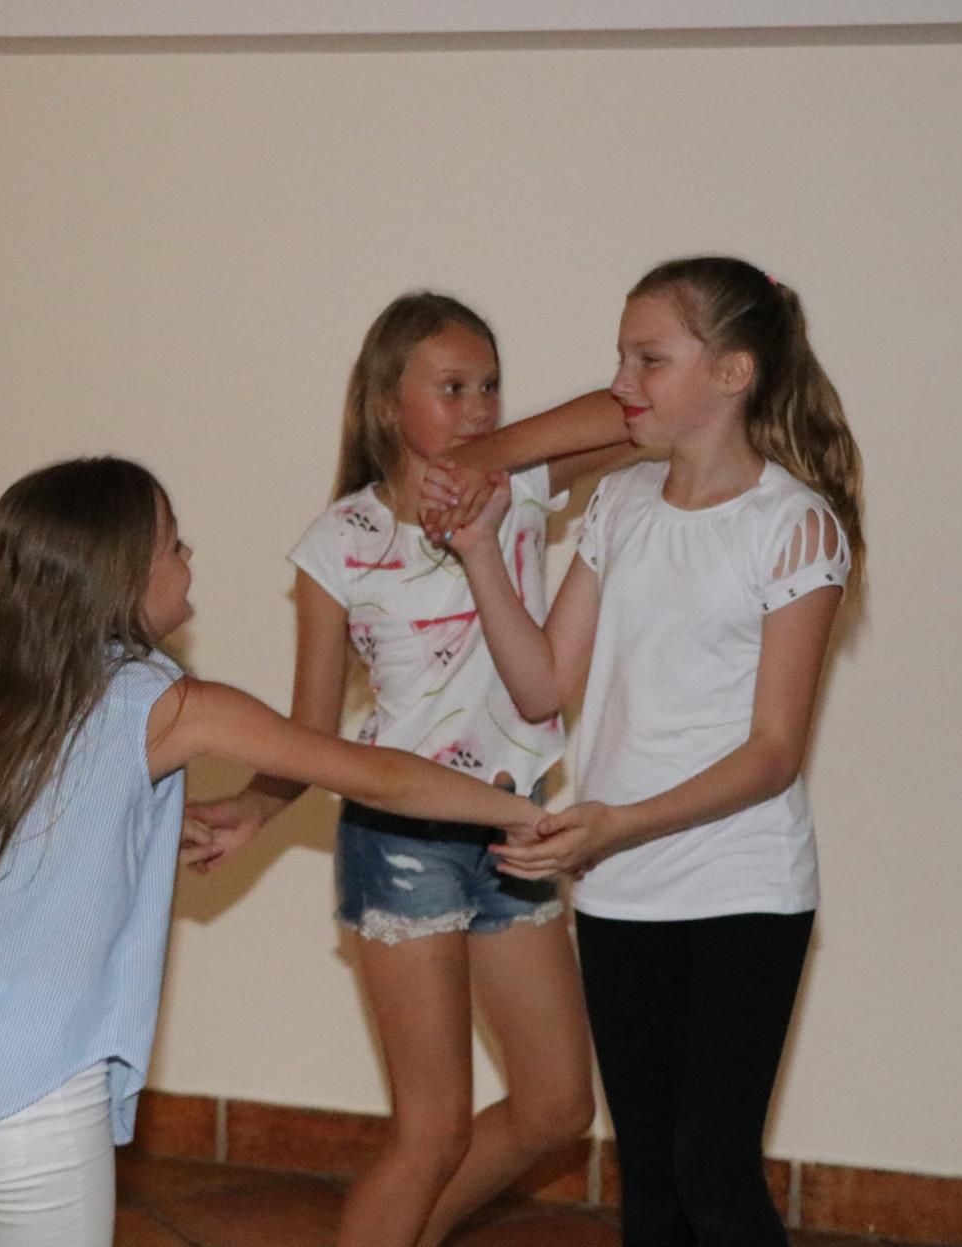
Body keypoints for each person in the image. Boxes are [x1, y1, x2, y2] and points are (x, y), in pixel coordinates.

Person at [0, 455, 549, 1246]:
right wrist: (516, 811)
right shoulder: (161, 703)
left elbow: (53, 818)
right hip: (28, 1082)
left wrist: (142, 826)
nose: (190, 555)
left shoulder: (23, 681)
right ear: (122, 576)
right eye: (173, 544)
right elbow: (375, 774)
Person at [183, 292, 628, 1247]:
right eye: (453, 388)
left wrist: (492, 457)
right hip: (400, 845)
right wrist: (256, 806)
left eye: (490, 386)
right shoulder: (337, 543)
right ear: (389, 402)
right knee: (432, 1131)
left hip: (517, 832)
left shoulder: (520, 487)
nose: (479, 407)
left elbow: (626, 413)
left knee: (557, 1105)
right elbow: (311, 732)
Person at [443, 256, 864, 1247]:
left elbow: (772, 752)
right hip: (622, 887)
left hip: (741, 885)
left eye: (649, 359)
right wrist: (480, 552)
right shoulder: (621, 503)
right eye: (621, 357)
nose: (620, 383)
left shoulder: (794, 527)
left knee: (710, 1170)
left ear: (733, 373)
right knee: (651, 1185)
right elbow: (543, 682)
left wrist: (619, 823)